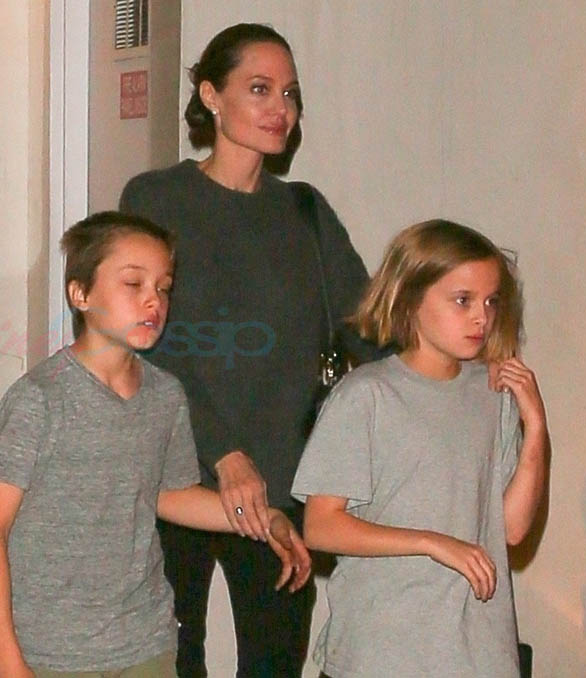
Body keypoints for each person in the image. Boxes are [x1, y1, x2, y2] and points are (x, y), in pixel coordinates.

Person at [119, 23, 370, 676]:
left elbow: (371, 331)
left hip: (282, 482)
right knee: (169, 661)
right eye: (259, 89)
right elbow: (152, 345)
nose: (280, 108)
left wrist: (454, 375)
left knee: (274, 663)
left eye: (290, 93)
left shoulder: (305, 213)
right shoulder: (156, 200)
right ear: (211, 96)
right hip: (175, 472)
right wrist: (224, 452)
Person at [0, 212, 312, 677]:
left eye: (164, 287)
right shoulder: (40, 399)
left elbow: (169, 495)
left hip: (145, 641)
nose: (154, 300)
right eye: (134, 284)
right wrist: (6, 658)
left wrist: (264, 518)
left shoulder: (165, 394)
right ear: (80, 294)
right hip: (53, 651)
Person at [292, 220, 549, 677]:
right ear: (410, 298)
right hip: (381, 654)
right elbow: (321, 526)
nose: (481, 317)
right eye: (463, 300)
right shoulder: (366, 395)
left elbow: (512, 529)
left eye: (491, 301)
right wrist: (431, 543)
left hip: (477, 656)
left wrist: (536, 427)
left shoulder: (492, 394)